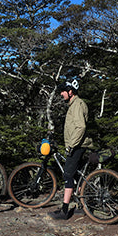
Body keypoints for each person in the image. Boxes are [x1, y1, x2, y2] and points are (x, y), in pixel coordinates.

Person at [49, 79, 92, 220]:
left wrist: (72, 145)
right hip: (78, 144)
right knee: (77, 176)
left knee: (68, 175)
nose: (61, 94)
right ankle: (81, 207)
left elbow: (81, 127)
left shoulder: (78, 105)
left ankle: (64, 211)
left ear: (70, 91)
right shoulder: (73, 105)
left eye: (63, 91)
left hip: (78, 145)